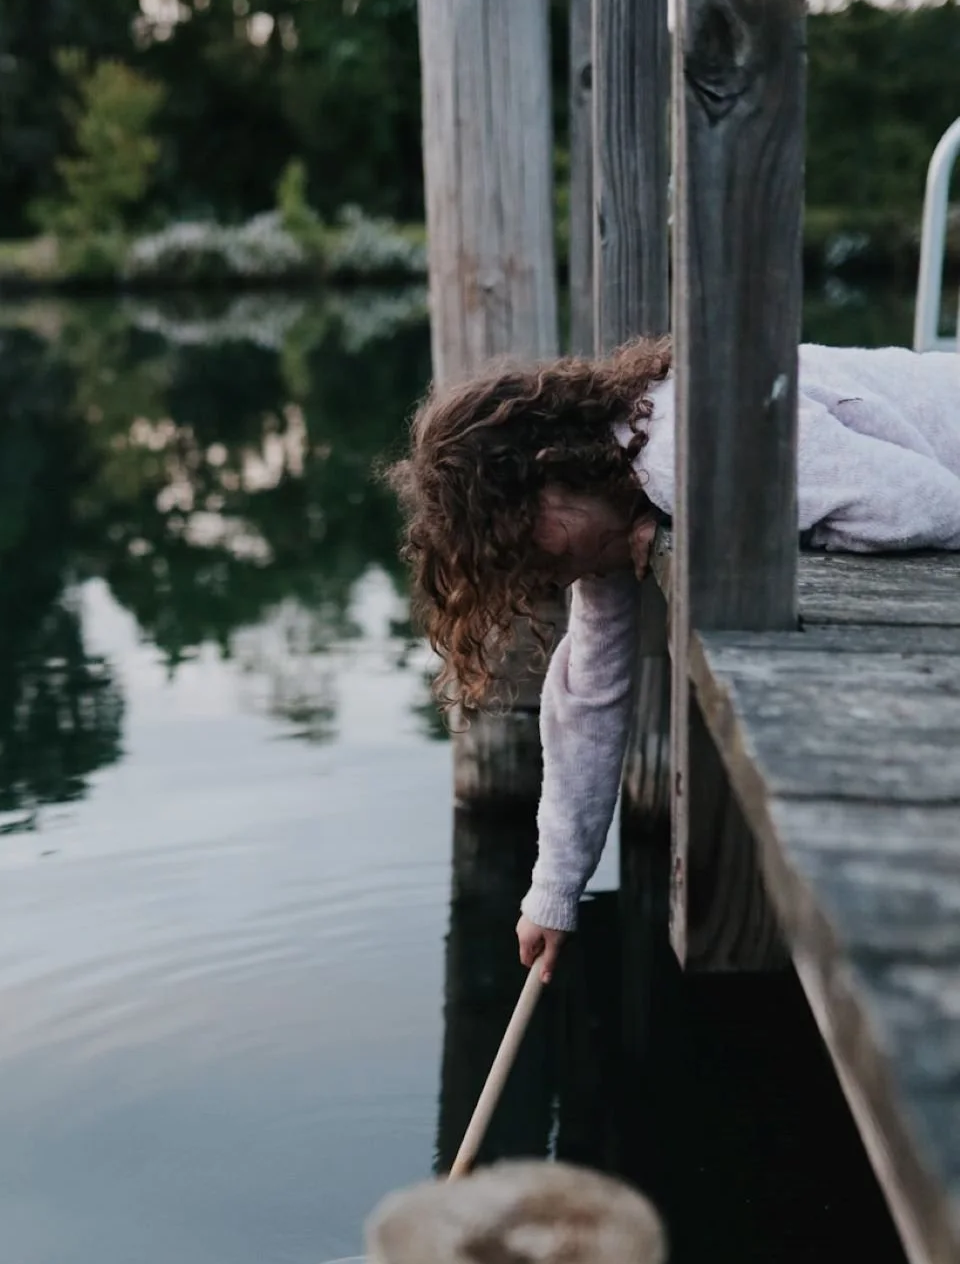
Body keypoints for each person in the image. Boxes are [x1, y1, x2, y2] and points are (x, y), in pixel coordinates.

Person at [391, 336, 960, 979]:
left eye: (528, 544)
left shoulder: (679, 449)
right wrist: (552, 893)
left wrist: (689, 535)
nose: (541, 577)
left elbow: (932, 507)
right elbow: (587, 693)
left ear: (550, 468)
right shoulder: (620, 490)